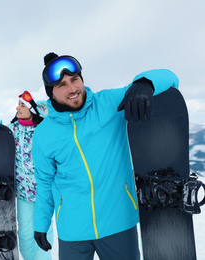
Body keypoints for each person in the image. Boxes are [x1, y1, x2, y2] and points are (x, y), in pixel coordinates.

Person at [32, 52, 179, 260]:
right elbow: (45, 182)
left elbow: (171, 76)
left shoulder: (108, 104)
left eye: (75, 80)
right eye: (62, 85)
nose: (72, 89)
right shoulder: (44, 134)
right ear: (51, 93)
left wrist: (144, 83)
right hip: (72, 229)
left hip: (118, 222)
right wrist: (41, 224)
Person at [0, 90, 54, 260]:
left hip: (44, 192)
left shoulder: (46, 130)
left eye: (22, 105)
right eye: (19, 104)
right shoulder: (13, 130)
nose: (17, 108)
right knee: (24, 233)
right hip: (23, 193)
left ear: (33, 108)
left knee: (44, 230)